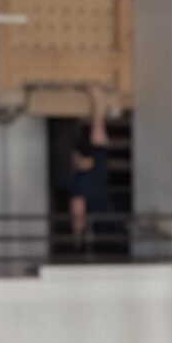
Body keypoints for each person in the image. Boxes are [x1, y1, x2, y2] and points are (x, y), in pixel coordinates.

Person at [62, 84, 114, 254]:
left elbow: (77, 213)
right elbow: (78, 213)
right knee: (98, 126)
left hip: (92, 191)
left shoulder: (78, 184)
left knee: (97, 126)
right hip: (94, 189)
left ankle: (97, 96)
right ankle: (98, 96)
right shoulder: (83, 182)